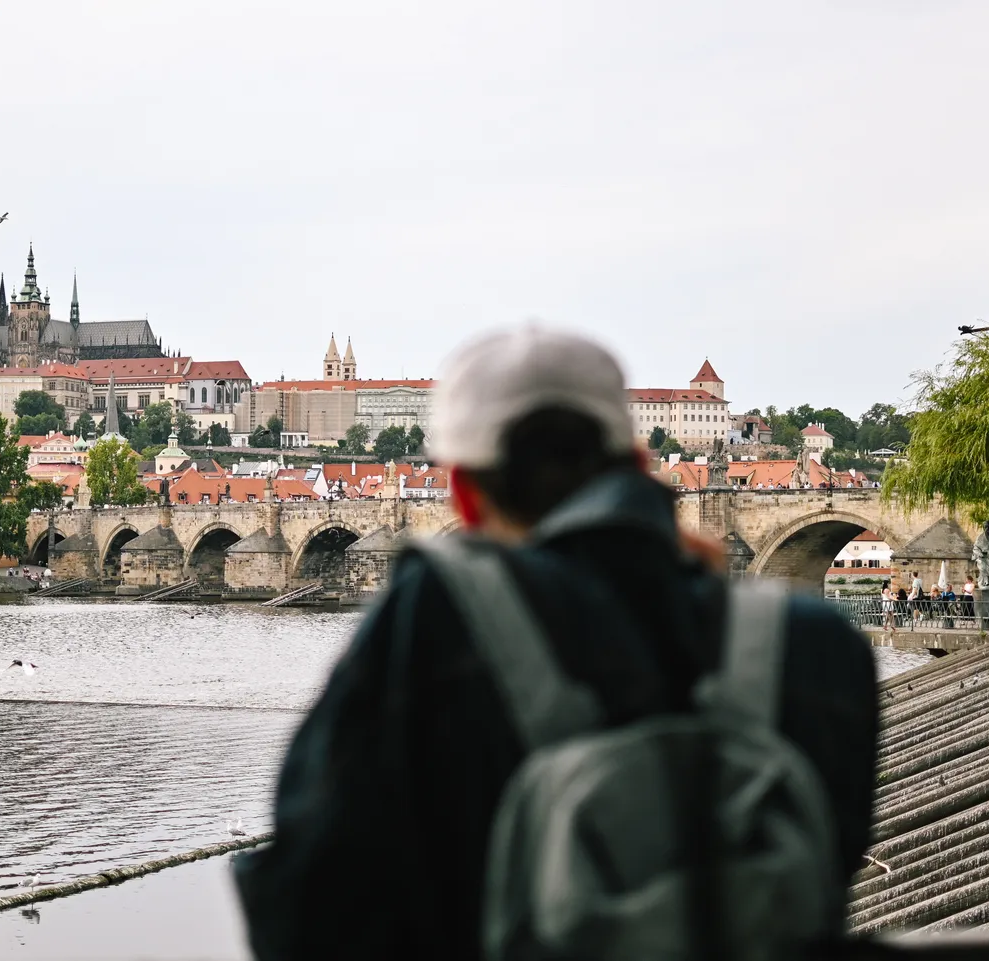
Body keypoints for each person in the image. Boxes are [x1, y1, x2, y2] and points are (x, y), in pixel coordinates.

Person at [235, 327, 879, 961]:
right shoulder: (812, 644)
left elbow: (306, 907)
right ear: (636, 462)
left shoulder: (436, 622)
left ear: (461, 488)